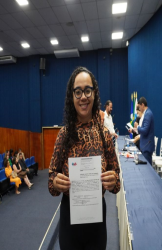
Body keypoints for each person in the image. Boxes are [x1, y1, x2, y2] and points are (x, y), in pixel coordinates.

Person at [49, 67, 120, 250]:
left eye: (87, 90)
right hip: (69, 218)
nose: (83, 97)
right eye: (78, 91)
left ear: (94, 94)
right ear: (71, 96)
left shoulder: (104, 134)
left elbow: (117, 180)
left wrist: (113, 181)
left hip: (96, 219)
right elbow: (51, 182)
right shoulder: (63, 135)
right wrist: (56, 182)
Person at [132, 97, 155, 165]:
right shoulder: (146, 113)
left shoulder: (148, 114)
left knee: (148, 169)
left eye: (139, 107)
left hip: (147, 146)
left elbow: (145, 130)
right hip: (145, 145)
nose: (139, 109)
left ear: (142, 105)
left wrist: (137, 127)